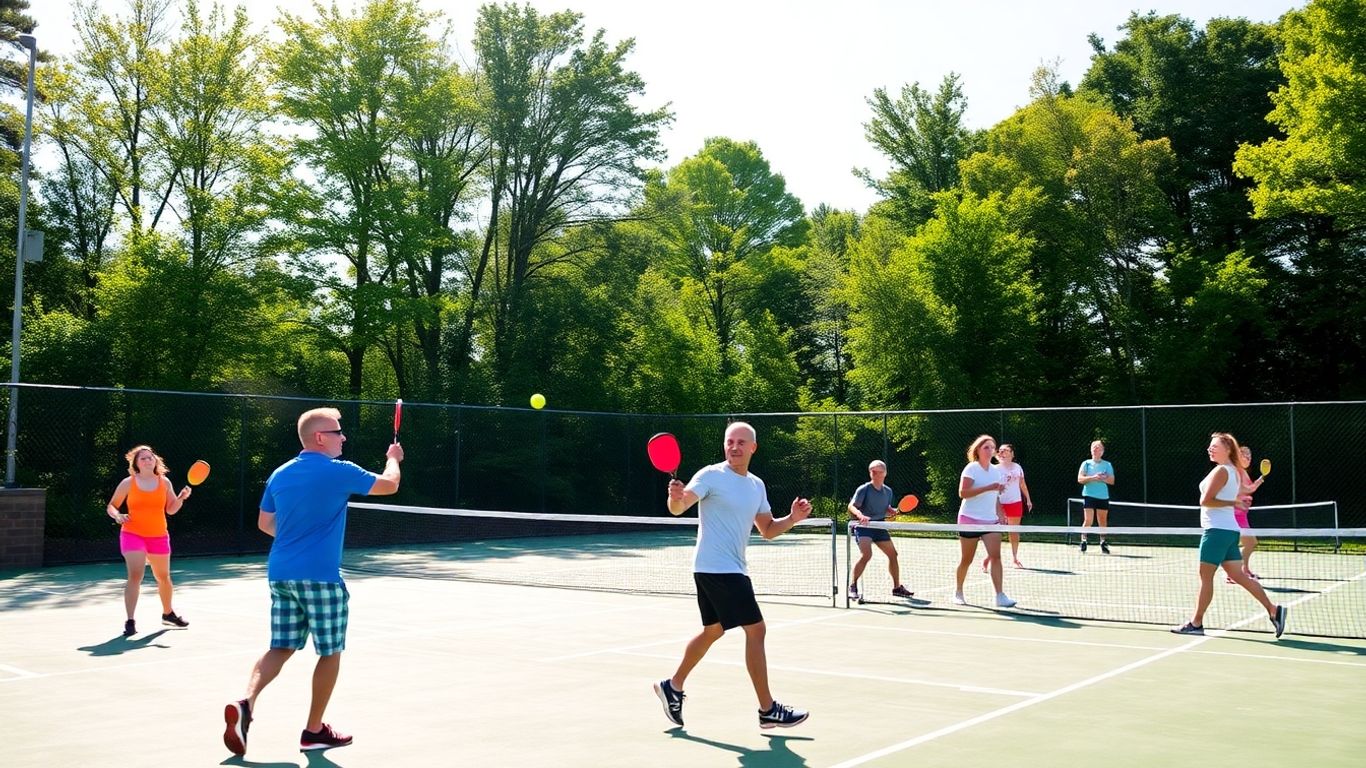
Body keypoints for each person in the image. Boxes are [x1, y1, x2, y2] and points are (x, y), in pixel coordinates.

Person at [223, 407, 403, 756]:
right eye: (338, 432)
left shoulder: (279, 474)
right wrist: (393, 458)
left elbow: (265, 523)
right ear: (320, 438)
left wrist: (296, 536)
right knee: (330, 652)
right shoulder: (338, 471)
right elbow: (390, 484)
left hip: (281, 574)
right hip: (321, 577)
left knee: (281, 646)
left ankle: (246, 702)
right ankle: (314, 730)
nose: (343, 437)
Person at [653, 421, 811, 730]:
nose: (734, 447)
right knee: (757, 630)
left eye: (741, 442)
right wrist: (674, 496)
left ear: (753, 448)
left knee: (713, 631)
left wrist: (792, 518)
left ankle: (673, 686)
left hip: (724, 569)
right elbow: (679, 507)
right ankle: (768, 710)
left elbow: (767, 530)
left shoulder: (756, 485)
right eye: (730, 441)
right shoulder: (711, 475)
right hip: (717, 568)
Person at [1171, 433, 1286, 639]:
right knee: (1239, 576)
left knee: (1206, 578)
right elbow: (1241, 491)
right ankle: (1273, 609)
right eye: (1210, 446)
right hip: (1230, 531)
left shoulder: (1223, 470)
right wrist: (1236, 501)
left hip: (1216, 532)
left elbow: (1206, 501)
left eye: (1214, 446)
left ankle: (1196, 623)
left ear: (1228, 450)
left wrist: (1233, 503)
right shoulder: (1234, 471)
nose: (1210, 449)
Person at [105, 445, 192, 636]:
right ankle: (130, 621)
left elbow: (171, 509)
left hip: (159, 535)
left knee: (163, 577)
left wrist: (181, 498)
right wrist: (117, 516)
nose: (147, 460)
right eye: (142, 458)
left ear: (155, 461)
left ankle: (168, 613)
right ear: (136, 463)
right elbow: (112, 505)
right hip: (132, 534)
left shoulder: (165, 482)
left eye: (150, 457)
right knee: (135, 575)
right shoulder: (128, 482)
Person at [953, 435, 1016, 608]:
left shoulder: (996, 471)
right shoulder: (971, 469)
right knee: (967, 559)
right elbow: (963, 493)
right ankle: (958, 591)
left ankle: (1000, 596)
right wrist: (989, 487)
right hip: (969, 519)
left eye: (992, 447)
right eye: (986, 447)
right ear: (978, 450)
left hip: (990, 521)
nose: (990, 450)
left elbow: (994, 496)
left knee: (996, 557)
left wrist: (1000, 514)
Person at [847, 460, 913, 601]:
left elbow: (886, 509)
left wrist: (892, 511)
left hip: (880, 527)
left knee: (893, 554)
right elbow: (851, 506)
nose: (874, 473)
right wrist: (860, 515)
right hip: (864, 527)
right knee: (866, 555)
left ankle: (896, 588)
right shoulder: (864, 489)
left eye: (877, 471)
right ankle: (852, 586)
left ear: (884, 473)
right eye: (872, 471)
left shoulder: (888, 491)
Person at [982, 443, 1032, 571]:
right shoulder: (993, 469)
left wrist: (1028, 499)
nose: (1002, 452)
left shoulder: (1018, 467)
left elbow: (1022, 484)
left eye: (1006, 450)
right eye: (1001, 450)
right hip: (998, 504)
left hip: (1015, 502)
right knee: (994, 533)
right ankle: (988, 559)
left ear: (1012, 454)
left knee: (1014, 532)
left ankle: (1015, 558)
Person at [1230, 445, 1267, 583]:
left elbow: (1248, 490)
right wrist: (1242, 500)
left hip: (1242, 515)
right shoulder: (1235, 472)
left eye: (1250, 456)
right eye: (1245, 455)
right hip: (1235, 514)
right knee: (1250, 543)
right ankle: (1234, 573)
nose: (1248, 458)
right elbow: (1238, 491)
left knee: (1250, 543)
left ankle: (1244, 570)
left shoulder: (1243, 473)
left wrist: (1258, 481)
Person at [1077, 440, 1114, 553]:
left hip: (1103, 496)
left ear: (1102, 451)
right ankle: (1083, 541)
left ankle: (1103, 542)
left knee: (1102, 521)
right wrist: (1093, 477)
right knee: (1088, 520)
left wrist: (1102, 478)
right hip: (1089, 495)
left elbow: (1111, 480)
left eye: (1098, 447)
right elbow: (1080, 479)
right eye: (1094, 447)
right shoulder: (1086, 463)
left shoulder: (1107, 465)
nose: (1095, 449)